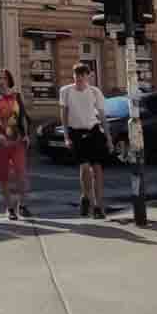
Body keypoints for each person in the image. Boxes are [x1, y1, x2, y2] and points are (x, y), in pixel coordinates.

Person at [59, 63, 108, 218]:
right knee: (85, 167)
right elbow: (64, 114)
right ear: (73, 76)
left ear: (88, 76)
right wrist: (66, 136)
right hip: (76, 132)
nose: (79, 78)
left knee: (98, 169)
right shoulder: (66, 91)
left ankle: (99, 206)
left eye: (82, 75)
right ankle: (87, 197)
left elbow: (101, 115)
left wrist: (108, 137)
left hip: (93, 131)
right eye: (76, 75)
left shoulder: (95, 92)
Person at [0, 68, 32, 219]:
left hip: (17, 140)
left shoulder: (17, 96)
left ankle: (23, 206)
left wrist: (25, 135)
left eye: (5, 78)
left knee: (21, 174)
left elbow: (22, 117)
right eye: (0, 78)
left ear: (9, 79)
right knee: (3, 176)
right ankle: (10, 208)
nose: (2, 81)